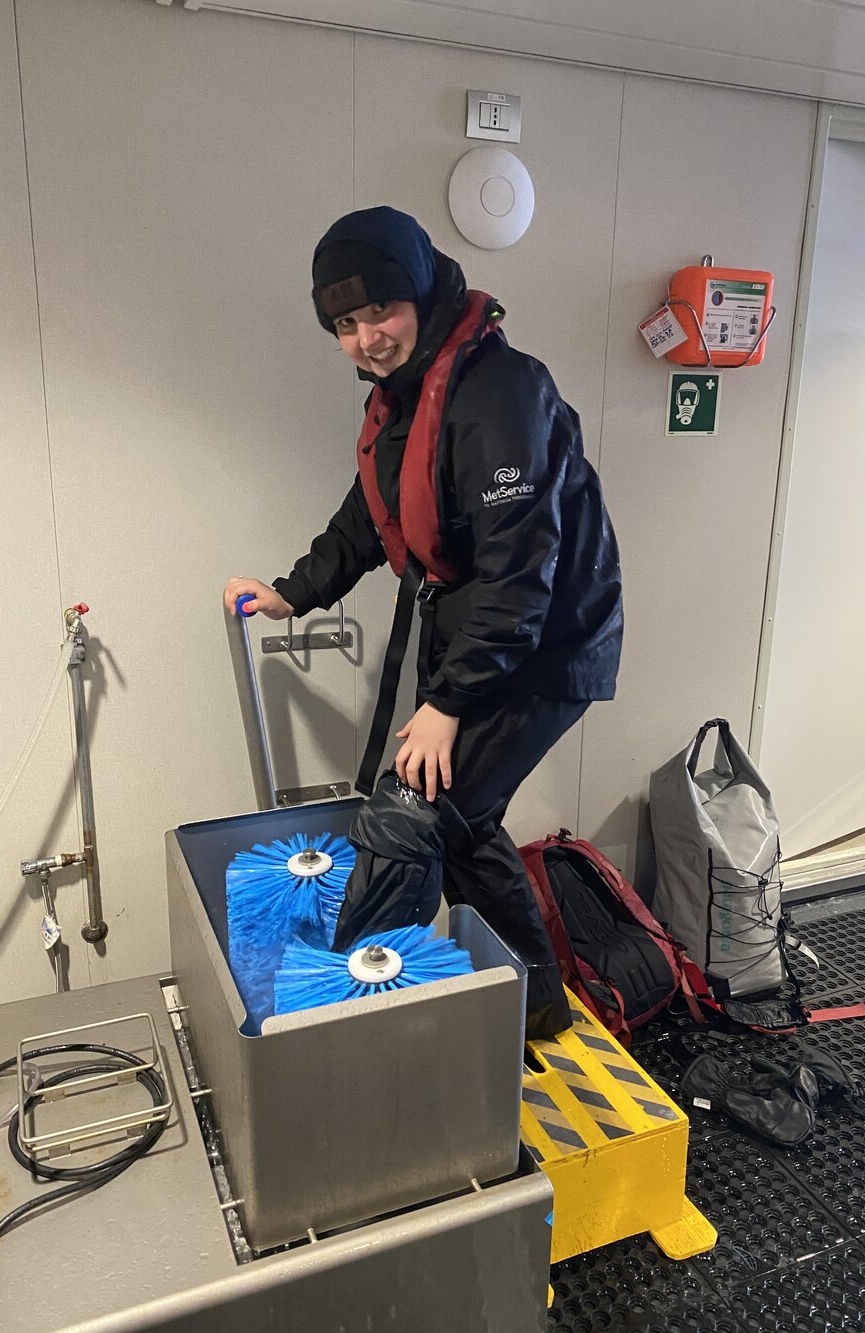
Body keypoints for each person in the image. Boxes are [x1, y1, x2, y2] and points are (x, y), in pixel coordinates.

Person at [225, 205, 622, 1039]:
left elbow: (521, 575)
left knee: (409, 813)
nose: (366, 337)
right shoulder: (403, 399)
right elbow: (369, 517)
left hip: (546, 643)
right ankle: (535, 1006)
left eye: (380, 311)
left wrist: (445, 703)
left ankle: (353, 1031)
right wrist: (292, 593)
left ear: (422, 295)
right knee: (461, 817)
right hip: (492, 633)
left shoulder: (503, 392)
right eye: (344, 323)